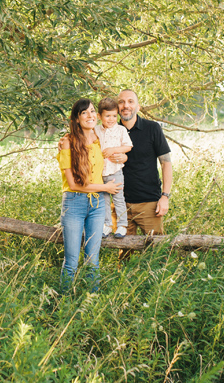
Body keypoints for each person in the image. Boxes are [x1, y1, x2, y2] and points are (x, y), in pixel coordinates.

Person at [56, 99, 122, 292]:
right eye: (84, 112)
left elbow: (120, 147)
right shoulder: (68, 142)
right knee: (72, 261)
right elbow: (74, 184)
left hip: (97, 205)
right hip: (74, 204)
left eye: (93, 111)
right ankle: (65, 303)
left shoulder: (100, 138)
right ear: (76, 118)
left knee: (93, 261)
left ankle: (92, 305)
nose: (90, 115)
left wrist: (123, 156)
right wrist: (105, 188)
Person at [117, 89, 173, 236]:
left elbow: (166, 163)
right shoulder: (111, 131)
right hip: (120, 204)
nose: (125, 105)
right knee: (124, 254)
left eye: (130, 101)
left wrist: (165, 196)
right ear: (117, 107)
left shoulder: (152, 128)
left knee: (156, 252)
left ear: (138, 107)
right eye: (121, 102)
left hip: (149, 204)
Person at [95, 97, 133, 238]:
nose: (111, 119)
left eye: (114, 116)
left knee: (118, 199)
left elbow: (128, 146)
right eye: (107, 116)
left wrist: (114, 150)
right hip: (99, 173)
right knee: (103, 200)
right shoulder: (96, 130)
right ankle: (107, 225)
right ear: (99, 116)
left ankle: (122, 225)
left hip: (115, 171)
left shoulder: (120, 130)